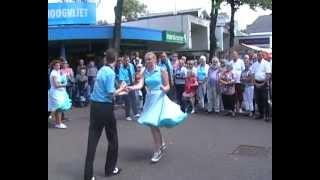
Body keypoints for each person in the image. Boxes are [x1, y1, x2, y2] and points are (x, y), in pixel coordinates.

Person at [127, 52, 188, 163]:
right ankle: (161, 143)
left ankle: (157, 150)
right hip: (150, 99)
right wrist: (131, 88)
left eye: (150, 59)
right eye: (146, 59)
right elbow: (140, 85)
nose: (148, 61)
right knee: (152, 124)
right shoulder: (144, 71)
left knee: (153, 124)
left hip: (159, 97)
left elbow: (168, 85)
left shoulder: (161, 70)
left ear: (155, 59)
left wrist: (165, 89)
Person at [84, 49, 126, 180]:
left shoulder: (101, 69)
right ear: (115, 59)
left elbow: (104, 89)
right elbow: (110, 93)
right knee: (113, 139)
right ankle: (110, 169)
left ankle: (88, 175)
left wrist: (118, 91)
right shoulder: (110, 72)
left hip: (95, 106)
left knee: (92, 139)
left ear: (105, 59)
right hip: (105, 107)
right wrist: (122, 89)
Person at [48, 60, 72, 129]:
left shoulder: (57, 72)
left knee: (58, 108)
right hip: (56, 92)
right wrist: (65, 84)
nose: (58, 66)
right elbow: (56, 85)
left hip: (58, 92)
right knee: (59, 108)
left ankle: (58, 123)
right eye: (57, 65)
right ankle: (59, 123)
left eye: (59, 65)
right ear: (53, 66)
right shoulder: (54, 73)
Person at [250, 51, 271, 121]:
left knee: (265, 99)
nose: (259, 56)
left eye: (260, 55)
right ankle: (261, 114)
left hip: (264, 83)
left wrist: (262, 83)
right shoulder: (254, 64)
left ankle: (267, 115)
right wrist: (255, 83)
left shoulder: (266, 63)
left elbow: (268, 75)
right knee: (258, 100)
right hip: (256, 83)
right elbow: (252, 74)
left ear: (263, 56)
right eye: (258, 55)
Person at [119, 55, 139, 121]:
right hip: (125, 85)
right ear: (123, 61)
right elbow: (121, 80)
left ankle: (135, 113)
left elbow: (133, 73)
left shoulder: (131, 65)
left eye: (128, 60)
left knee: (134, 98)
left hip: (132, 84)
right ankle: (127, 115)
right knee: (127, 101)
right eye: (126, 61)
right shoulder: (121, 68)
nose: (127, 62)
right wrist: (124, 87)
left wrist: (135, 81)